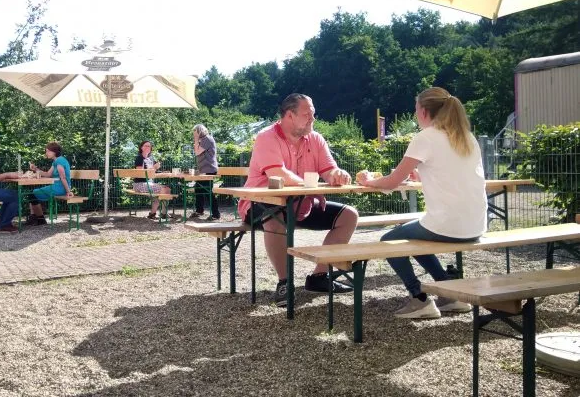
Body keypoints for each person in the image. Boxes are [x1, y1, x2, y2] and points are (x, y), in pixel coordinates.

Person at [361, 87, 486, 319]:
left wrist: (369, 181)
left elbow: (392, 181)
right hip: (476, 226)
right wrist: (422, 174)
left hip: (447, 226)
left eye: (416, 109)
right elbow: (454, 173)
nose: (415, 114)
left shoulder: (426, 137)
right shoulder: (466, 137)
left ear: (425, 112)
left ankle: (419, 298)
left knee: (389, 241)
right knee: (414, 237)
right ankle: (450, 294)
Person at [238, 94, 359, 306]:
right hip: (258, 204)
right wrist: (310, 189)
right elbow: (278, 174)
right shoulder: (266, 137)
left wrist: (337, 174)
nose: (313, 118)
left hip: (300, 204)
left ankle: (319, 277)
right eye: (307, 114)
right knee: (273, 216)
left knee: (349, 216)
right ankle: (285, 282)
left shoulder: (316, 139)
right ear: (289, 115)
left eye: (313, 114)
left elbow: (329, 169)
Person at [26, 142, 72, 225]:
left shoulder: (59, 161)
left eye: (48, 151)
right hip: (57, 186)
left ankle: (40, 219)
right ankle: (35, 218)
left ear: (54, 151)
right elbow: (48, 174)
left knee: (32, 195)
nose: (46, 153)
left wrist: (68, 191)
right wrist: (35, 169)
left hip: (61, 188)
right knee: (33, 193)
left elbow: (63, 177)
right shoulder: (56, 161)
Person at [134, 140, 171, 220]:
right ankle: (161, 213)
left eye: (149, 146)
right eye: (146, 145)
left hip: (149, 183)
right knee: (164, 189)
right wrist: (154, 167)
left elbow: (152, 172)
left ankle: (155, 213)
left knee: (167, 189)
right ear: (141, 147)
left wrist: (161, 171)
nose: (148, 147)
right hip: (139, 184)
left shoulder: (150, 159)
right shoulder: (139, 158)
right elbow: (140, 173)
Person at [192, 124, 220, 220]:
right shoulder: (203, 140)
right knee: (198, 189)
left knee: (208, 191)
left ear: (200, 131)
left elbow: (197, 152)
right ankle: (199, 210)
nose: (194, 134)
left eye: (195, 132)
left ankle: (216, 214)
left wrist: (196, 140)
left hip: (209, 170)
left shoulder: (207, 139)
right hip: (203, 170)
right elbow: (197, 152)